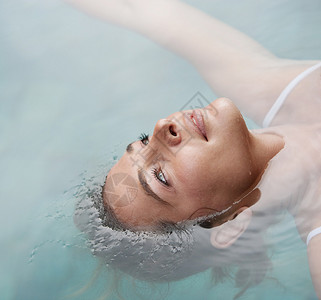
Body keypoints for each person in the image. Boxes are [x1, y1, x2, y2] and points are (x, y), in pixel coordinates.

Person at [67, 0, 321, 298]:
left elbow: (137, 8)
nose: (162, 126)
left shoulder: (263, 86)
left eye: (145, 141)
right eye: (160, 176)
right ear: (228, 224)